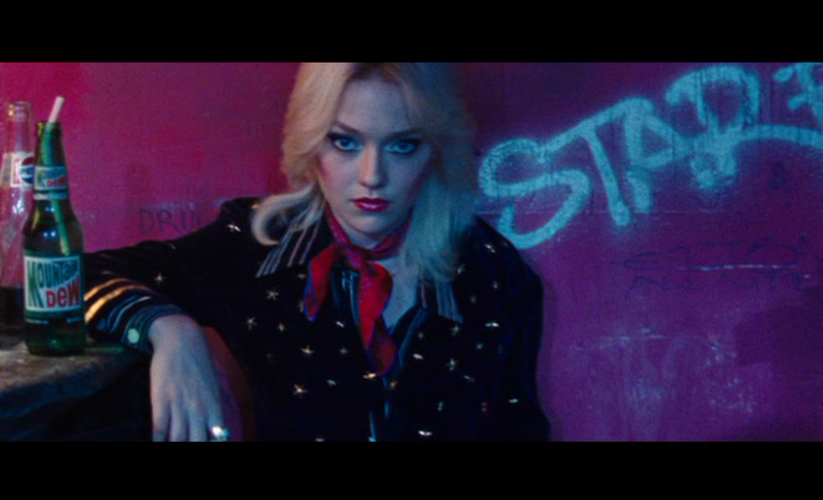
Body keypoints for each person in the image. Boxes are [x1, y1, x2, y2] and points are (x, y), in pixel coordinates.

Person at [84, 62, 549, 441]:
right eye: (345, 142)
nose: (372, 176)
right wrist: (168, 329)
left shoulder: (491, 271)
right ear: (312, 143)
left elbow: (519, 426)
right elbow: (67, 277)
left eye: (403, 145)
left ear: (436, 149)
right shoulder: (259, 245)